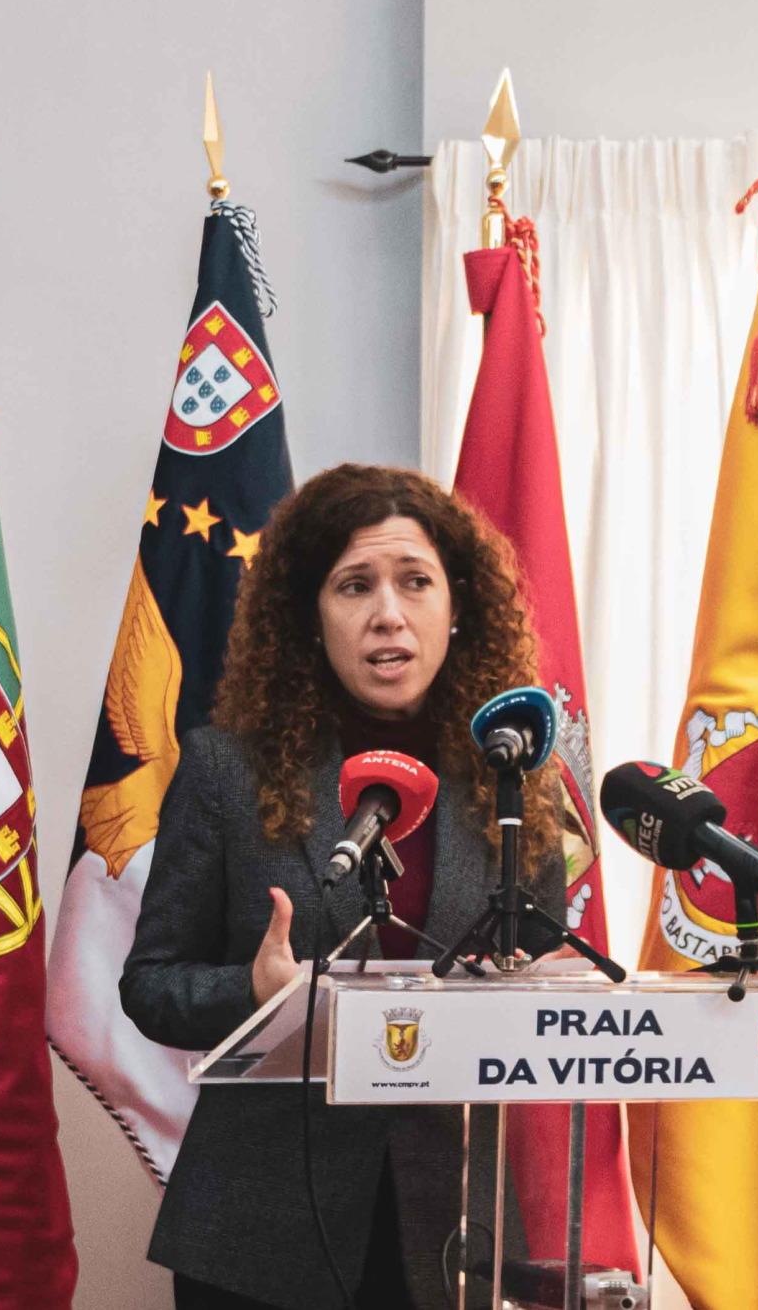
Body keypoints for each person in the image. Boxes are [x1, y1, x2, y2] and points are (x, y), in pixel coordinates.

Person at [121, 463, 569, 1310]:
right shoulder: (226, 768)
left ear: (457, 606)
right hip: (261, 1231)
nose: (388, 614)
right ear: (310, 616)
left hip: (452, 1226)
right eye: (354, 586)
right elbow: (150, 985)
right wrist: (253, 993)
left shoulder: (510, 779)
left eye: (415, 582)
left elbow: (541, 964)